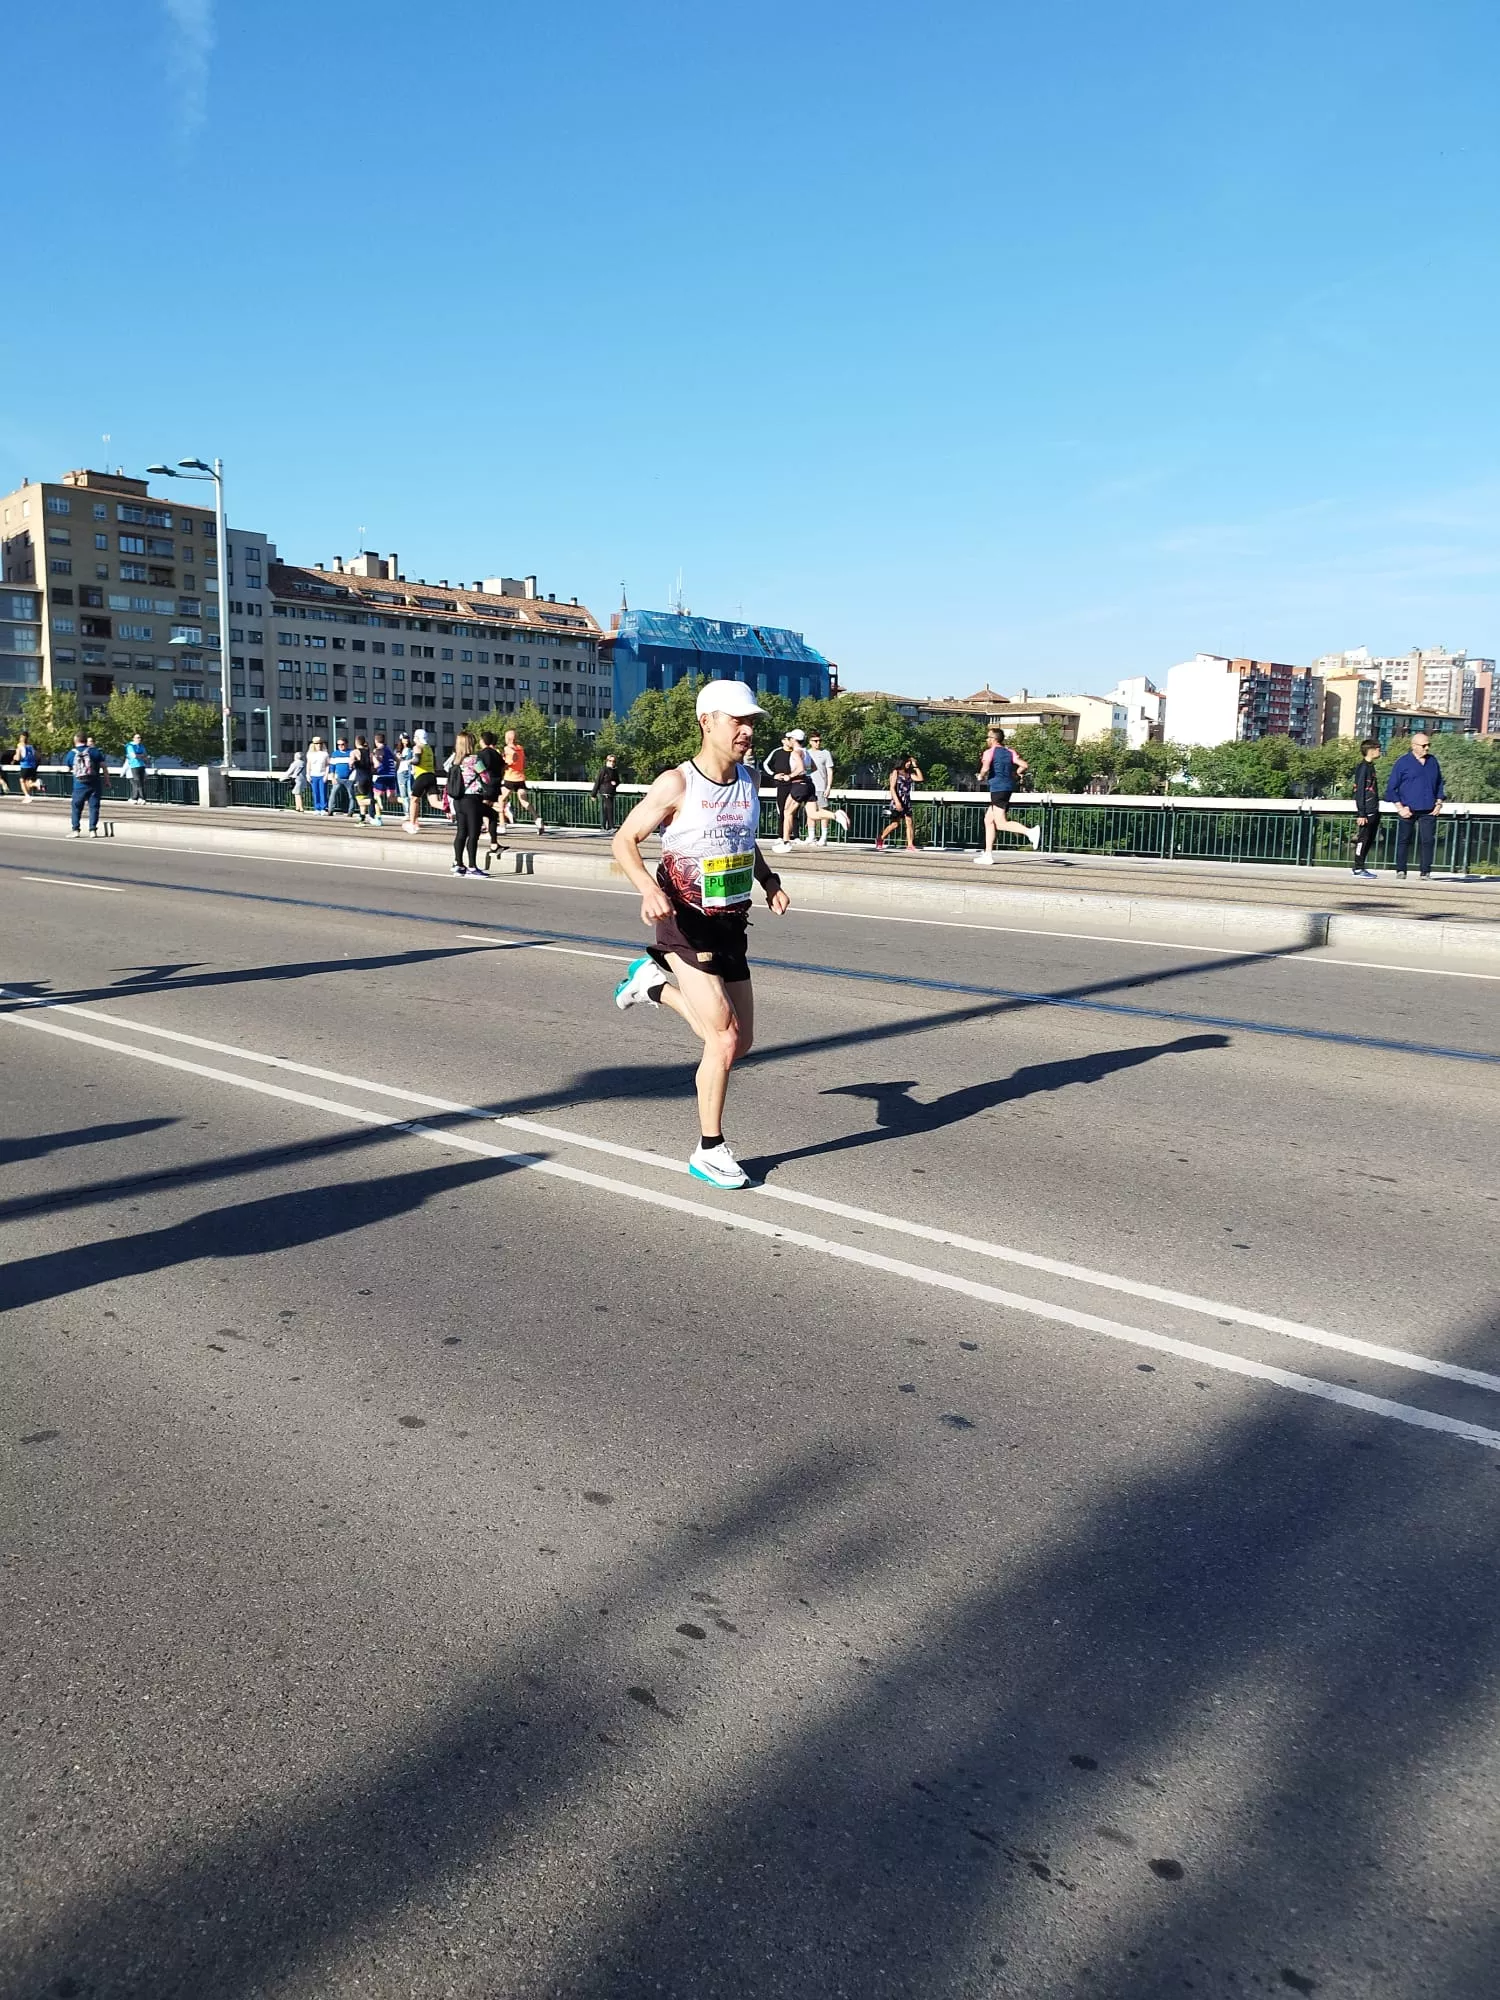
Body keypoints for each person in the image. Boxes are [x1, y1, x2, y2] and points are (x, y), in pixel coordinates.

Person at [610, 678, 791, 1190]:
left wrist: (769, 881)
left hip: (731, 919)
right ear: (706, 721)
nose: (748, 731)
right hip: (684, 920)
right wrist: (647, 888)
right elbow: (625, 839)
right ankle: (710, 1149)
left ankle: (651, 986)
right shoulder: (678, 784)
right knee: (724, 1037)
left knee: (742, 1041)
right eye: (738, 720)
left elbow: (744, 839)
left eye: (752, 721)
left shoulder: (749, 781)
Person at [973, 727, 1042, 861]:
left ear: (994, 739)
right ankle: (987, 854)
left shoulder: (989, 752)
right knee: (989, 820)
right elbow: (1024, 765)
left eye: (988, 737)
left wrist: (981, 776)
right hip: (1008, 787)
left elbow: (986, 768)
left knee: (1001, 823)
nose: (987, 740)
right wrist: (1017, 773)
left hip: (998, 788)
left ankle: (1030, 832)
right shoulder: (1010, 751)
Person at [1384, 731, 1445, 881]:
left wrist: (1439, 803)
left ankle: (1425, 872)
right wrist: (1400, 808)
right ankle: (1401, 870)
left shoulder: (1433, 762)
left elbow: (1439, 784)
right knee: (1404, 840)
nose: (1427, 748)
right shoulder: (1403, 762)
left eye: (1428, 745)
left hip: (1429, 809)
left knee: (1428, 840)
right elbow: (1391, 788)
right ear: (1414, 746)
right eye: (1424, 745)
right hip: (1408, 809)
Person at [444, 732, 490, 876]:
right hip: (472, 799)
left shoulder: (454, 761)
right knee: (473, 833)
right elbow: (486, 778)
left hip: (458, 800)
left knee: (461, 832)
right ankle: (472, 866)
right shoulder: (475, 760)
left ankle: (458, 864)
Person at [802, 731, 848, 844]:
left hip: (821, 787)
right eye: (815, 741)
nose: (818, 743)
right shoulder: (806, 753)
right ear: (810, 742)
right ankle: (811, 836)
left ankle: (824, 837)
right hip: (809, 786)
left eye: (819, 741)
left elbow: (829, 771)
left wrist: (828, 787)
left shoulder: (825, 753)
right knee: (810, 812)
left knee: (823, 811)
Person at [65, 732, 108, 838]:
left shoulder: (71, 753)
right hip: (94, 784)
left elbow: (69, 768)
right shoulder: (94, 752)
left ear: (75, 741)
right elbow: (104, 767)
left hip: (79, 785)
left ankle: (76, 830)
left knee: (76, 808)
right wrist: (107, 780)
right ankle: (93, 830)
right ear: (85, 740)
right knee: (94, 807)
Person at [876, 754, 924, 851]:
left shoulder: (909, 774)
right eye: (907, 762)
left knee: (909, 822)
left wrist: (915, 766)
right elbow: (892, 788)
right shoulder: (896, 772)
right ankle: (880, 838)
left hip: (906, 800)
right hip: (897, 800)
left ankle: (910, 844)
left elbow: (920, 778)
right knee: (895, 824)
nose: (908, 764)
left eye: (909, 762)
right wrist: (897, 802)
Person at [501, 728, 543, 832]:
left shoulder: (507, 748)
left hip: (510, 778)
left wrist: (509, 763)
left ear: (508, 739)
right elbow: (525, 764)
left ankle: (502, 824)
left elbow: (512, 756)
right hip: (520, 778)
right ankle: (537, 818)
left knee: (501, 800)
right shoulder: (520, 748)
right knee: (524, 801)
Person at [1351, 738, 1381, 879]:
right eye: (1378, 748)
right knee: (1363, 839)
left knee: (1369, 839)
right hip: (1367, 810)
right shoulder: (1363, 768)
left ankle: (1361, 866)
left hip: (1373, 808)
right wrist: (1361, 813)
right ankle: (1358, 867)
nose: (1380, 750)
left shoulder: (1370, 766)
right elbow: (1359, 791)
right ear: (1371, 750)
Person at [474, 730, 507, 860]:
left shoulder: (481, 754)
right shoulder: (496, 753)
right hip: (496, 784)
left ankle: (483, 831)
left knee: (482, 809)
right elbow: (504, 766)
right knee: (489, 810)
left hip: (485, 785)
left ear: (483, 741)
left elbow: (479, 769)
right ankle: (492, 838)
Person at [403, 729, 438, 832]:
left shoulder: (417, 747)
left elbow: (417, 761)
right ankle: (452, 810)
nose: (413, 739)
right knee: (434, 802)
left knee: (414, 799)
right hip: (431, 775)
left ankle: (412, 824)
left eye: (414, 737)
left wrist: (409, 762)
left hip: (421, 776)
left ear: (417, 738)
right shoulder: (429, 748)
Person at [762, 732, 794, 843]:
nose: (791, 741)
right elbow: (765, 764)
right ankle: (781, 835)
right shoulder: (777, 752)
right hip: (781, 785)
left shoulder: (797, 752)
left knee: (795, 810)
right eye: (788, 739)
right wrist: (773, 775)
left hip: (794, 784)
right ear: (783, 741)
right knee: (782, 810)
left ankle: (796, 836)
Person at [372, 732, 400, 823]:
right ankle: (404, 801)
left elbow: (377, 763)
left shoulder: (377, 750)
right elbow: (398, 760)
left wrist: (374, 760)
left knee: (376, 796)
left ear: (376, 741)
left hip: (382, 775)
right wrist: (395, 770)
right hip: (391, 776)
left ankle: (378, 818)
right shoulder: (388, 749)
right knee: (391, 798)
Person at [349, 735, 376, 824]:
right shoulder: (369, 753)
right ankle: (366, 817)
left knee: (359, 799)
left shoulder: (354, 752)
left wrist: (352, 765)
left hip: (360, 777)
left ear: (356, 742)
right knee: (369, 795)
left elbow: (351, 763)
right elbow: (376, 764)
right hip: (369, 776)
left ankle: (374, 802)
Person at [592, 752, 622, 832]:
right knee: (610, 808)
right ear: (607, 761)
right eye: (610, 761)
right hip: (605, 791)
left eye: (613, 761)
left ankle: (603, 826)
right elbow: (598, 781)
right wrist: (593, 794)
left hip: (612, 792)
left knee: (606, 809)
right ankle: (612, 826)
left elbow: (618, 781)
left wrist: (615, 783)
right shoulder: (603, 770)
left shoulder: (615, 770)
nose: (612, 763)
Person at [327, 736, 355, 816]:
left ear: (346, 744)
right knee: (333, 793)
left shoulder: (351, 753)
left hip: (349, 778)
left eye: (342, 744)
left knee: (351, 795)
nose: (340, 746)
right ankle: (330, 810)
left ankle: (350, 811)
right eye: (338, 745)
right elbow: (332, 767)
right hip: (338, 778)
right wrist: (332, 777)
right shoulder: (335, 754)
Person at [305, 736, 331, 813]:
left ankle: (323, 808)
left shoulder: (325, 753)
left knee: (323, 792)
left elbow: (327, 765)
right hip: (313, 774)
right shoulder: (310, 754)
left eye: (320, 743)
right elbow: (308, 764)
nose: (318, 745)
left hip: (322, 774)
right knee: (315, 792)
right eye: (316, 743)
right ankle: (317, 808)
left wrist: (326, 775)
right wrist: (308, 774)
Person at [122, 732, 149, 804]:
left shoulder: (141, 746)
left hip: (142, 765)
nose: (139, 739)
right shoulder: (130, 746)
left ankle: (139, 798)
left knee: (142, 782)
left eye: (140, 738)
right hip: (134, 766)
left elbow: (145, 755)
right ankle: (140, 798)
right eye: (137, 738)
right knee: (138, 782)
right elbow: (133, 756)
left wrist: (140, 756)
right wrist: (141, 756)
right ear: (133, 738)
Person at [13, 730, 41, 799]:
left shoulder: (20, 746)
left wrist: (15, 757)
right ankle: (33, 788)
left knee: (22, 781)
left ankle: (27, 795)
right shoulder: (31, 747)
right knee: (28, 783)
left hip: (25, 766)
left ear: (21, 737)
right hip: (33, 766)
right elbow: (37, 756)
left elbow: (18, 758)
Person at [285, 745, 308, 811]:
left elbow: (289, 771)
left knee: (297, 794)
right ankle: (297, 807)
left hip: (296, 779)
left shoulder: (295, 763)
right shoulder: (303, 763)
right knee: (297, 793)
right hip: (303, 779)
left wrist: (282, 778)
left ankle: (300, 807)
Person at [395, 734, 414, 810]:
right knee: (403, 794)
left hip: (409, 772)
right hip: (400, 772)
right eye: (404, 738)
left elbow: (414, 759)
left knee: (410, 793)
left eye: (407, 738)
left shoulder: (411, 750)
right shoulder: (397, 751)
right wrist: (398, 758)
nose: (406, 740)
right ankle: (406, 812)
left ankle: (411, 811)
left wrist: (408, 761)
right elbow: (395, 763)